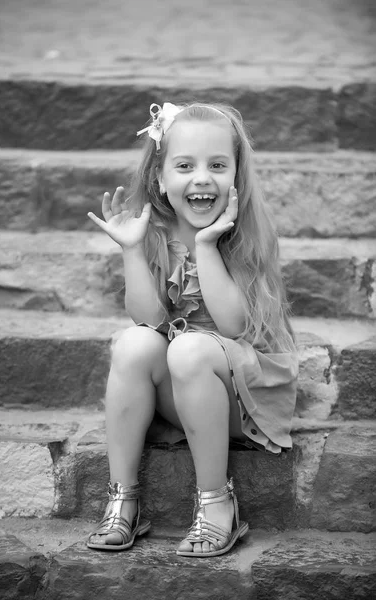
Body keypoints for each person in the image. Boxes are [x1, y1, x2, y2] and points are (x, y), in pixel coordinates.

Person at [86, 101, 298, 557]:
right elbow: (149, 321)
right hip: (184, 391)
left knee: (189, 350)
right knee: (133, 343)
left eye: (217, 165)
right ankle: (123, 499)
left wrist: (206, 245)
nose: (202, 178)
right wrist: (132, 250)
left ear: (236, 177)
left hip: (242, 400)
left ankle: (217, 503)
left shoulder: (249, 236)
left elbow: (233, 324)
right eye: (185, 165)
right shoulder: (155, 233)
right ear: (160, 179)